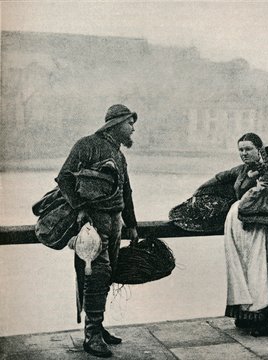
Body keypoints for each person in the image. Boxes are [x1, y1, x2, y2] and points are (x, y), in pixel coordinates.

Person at [195, 133, 268, 337]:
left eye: (248, 149)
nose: (244, 153)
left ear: (259, 150)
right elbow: (221, 177)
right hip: (249, 229)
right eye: (240, 150)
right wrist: (198, 193)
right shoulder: (241, 170)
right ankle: (250, 315)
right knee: (249, 271)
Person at [56, 104, 139, 357]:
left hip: (115, 224)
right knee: (97, 274)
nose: (133, 129)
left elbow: (126, 192)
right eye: (129, 124)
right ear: (116, 124)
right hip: (93, 223)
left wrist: (132, 224)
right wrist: (80, 208)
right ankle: (92, 335)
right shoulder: (87, 145)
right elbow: (64, 178)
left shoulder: (119, 154)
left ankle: (98, 327)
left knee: (107, 275)